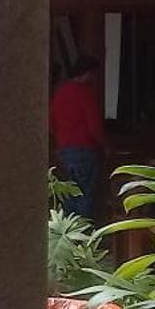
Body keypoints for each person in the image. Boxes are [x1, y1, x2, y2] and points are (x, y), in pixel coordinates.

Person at [49, 55, 105, 219]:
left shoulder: (61, 92)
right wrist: (105, 146)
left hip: (65, 151)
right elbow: (95, 127)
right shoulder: (86, 94)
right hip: (85, 150)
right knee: (85, 194)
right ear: (88, 73)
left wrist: (62, 139)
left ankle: (69, 229)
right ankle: (84, 230)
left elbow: (50, 122)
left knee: (69, 193)